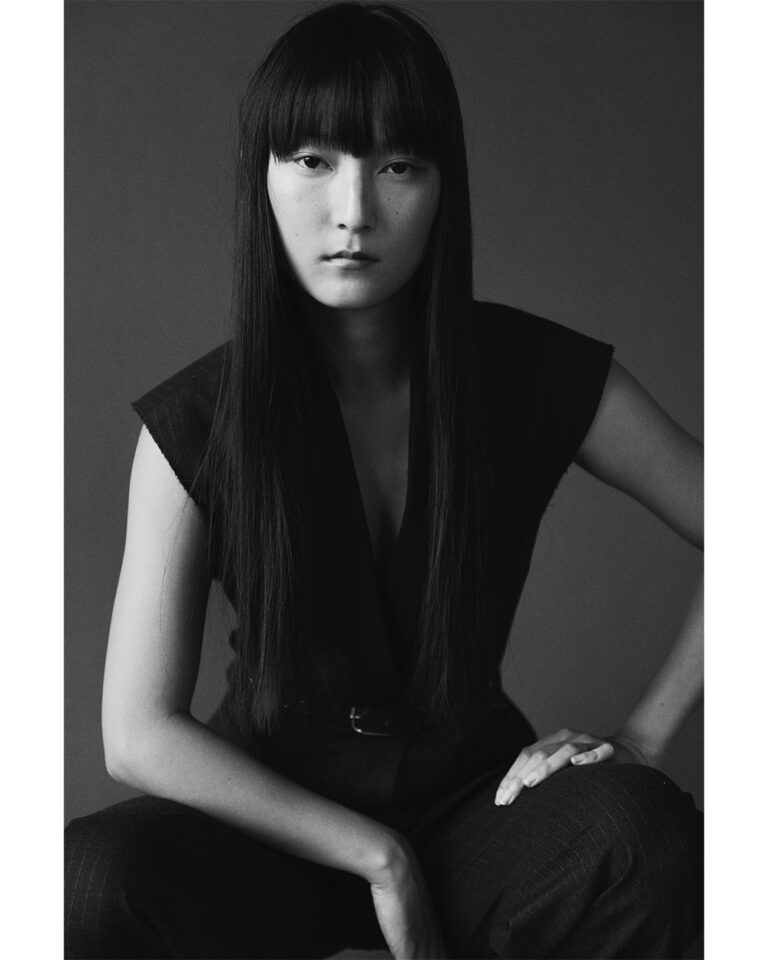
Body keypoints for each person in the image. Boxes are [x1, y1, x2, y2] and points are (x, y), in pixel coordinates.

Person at [64, 3, 703, 958]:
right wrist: (378, 858)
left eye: (398, 165)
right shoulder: (196, 420)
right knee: (84, 882)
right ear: (262, 178)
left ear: (445, 186)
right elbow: (136, 733)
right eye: (312, 160)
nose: (354, 211)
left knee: (643, 838)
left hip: (477, 810)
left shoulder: (534, 371)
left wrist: (647, 735)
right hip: (267, 825)